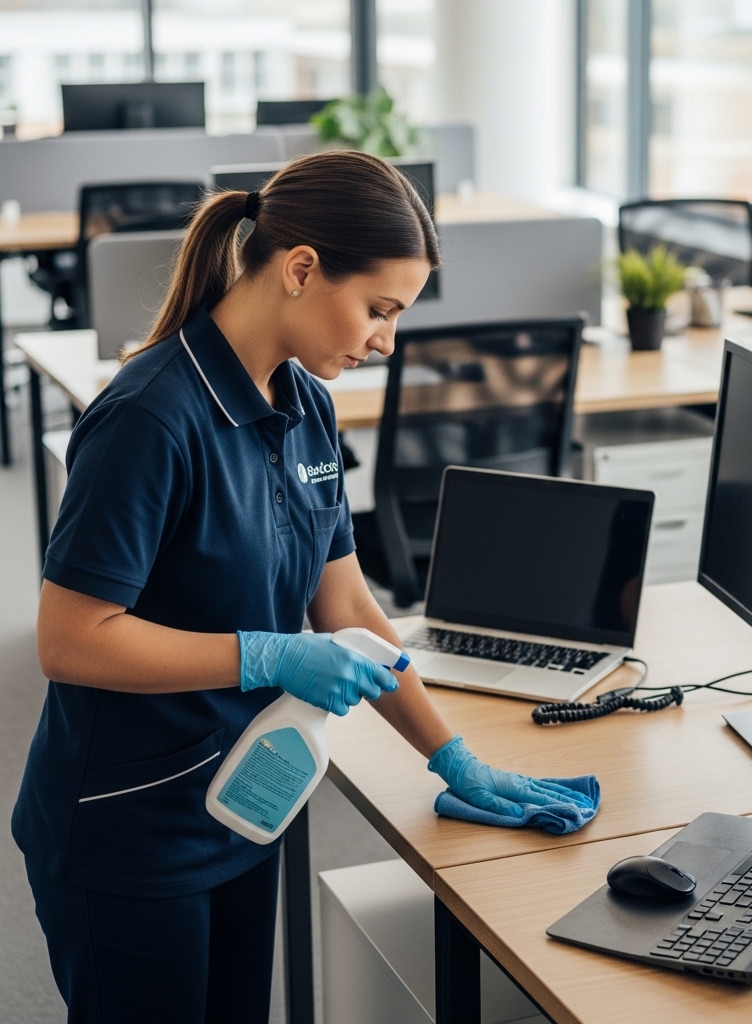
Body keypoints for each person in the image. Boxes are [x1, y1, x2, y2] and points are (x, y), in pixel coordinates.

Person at [12, 151, 589, 1024]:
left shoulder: (305, 404)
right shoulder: (149, 419)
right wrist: (269, 654)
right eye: (379, 310)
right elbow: (71, 640)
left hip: (245, 800)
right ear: (302, 268)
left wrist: (451, 756)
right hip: (128, 828)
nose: (388, 341)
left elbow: (348, 606)